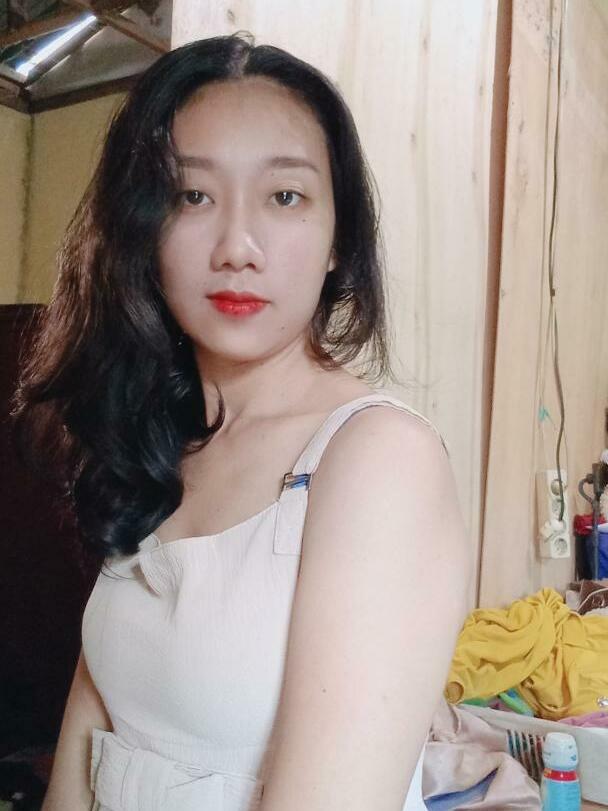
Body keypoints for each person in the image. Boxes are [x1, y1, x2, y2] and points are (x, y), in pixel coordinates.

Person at [12, 32, 470, 811]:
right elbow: (87, 757)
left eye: (284, 196)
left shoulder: (377, 457)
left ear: (338, 239)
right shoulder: (163, 446)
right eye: (192, 196)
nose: (237, 247)